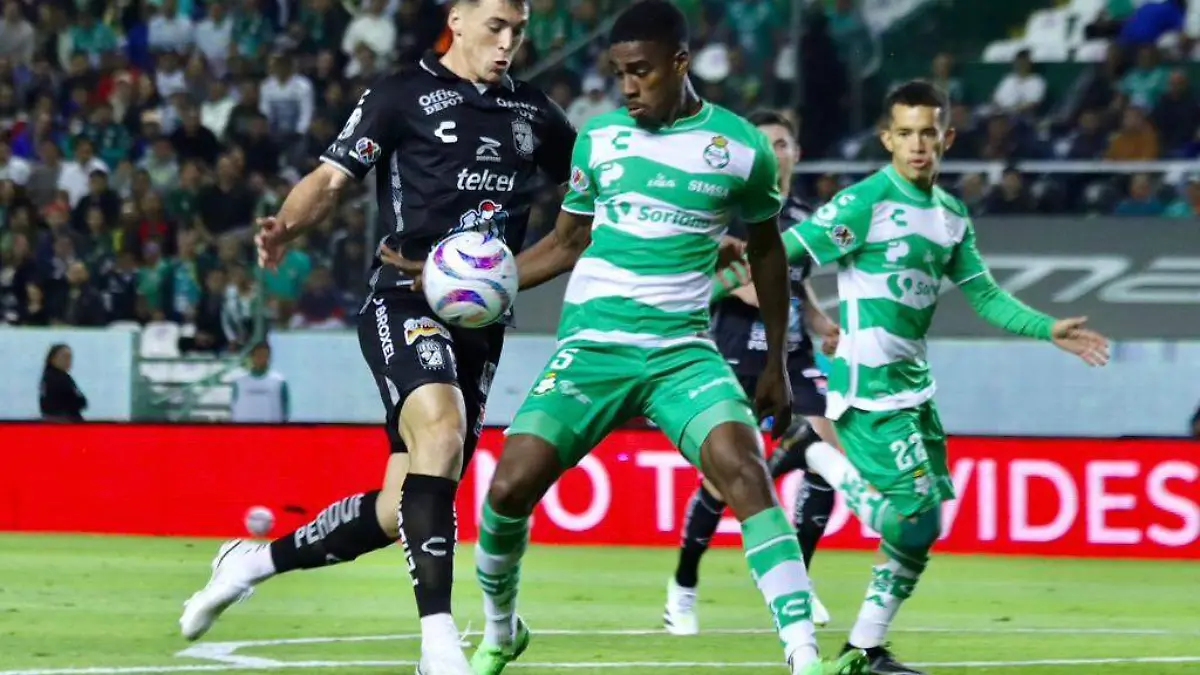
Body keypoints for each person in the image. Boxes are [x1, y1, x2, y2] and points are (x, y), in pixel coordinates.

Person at [178, 2, 577, 674]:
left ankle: (252, 562)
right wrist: (286, 225)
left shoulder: (536, 115)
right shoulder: (402, 94)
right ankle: (439, 644)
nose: (508, 43)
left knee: (399, 508)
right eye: (496, 27)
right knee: (442, 433)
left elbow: (576, 229)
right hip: (402, 299)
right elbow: (331, 178)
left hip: (479, 326)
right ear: (459, 19)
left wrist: (507, 277)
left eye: (518, 30)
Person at [469, 3, 867, 675]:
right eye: (619, 72)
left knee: (747, 474)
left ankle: (805, 658)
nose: (628, 87)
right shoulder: (599, 140)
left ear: (680, 63)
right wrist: (481, 281)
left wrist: (776, 360)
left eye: (642, 71)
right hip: (593, 348)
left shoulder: (739, 147)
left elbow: (768, 254)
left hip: (682, 353)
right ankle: (503, 631)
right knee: (507, 489)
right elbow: (565, 243)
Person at [722, 79, 1111, 675]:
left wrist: (1047, 328)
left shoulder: (951, 216)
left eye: (928, 132)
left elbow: (985, 295)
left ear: (947, 138)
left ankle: (866, 649)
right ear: (887, 139)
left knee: (927, 525)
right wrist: (712, 284)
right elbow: (786, 249)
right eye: (905, 133)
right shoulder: (865, 202)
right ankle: (813, 453)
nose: (918, 144)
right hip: (868, 388)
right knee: (916, 519)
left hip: (914, 388)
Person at [664, 109, 840, 636]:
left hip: (793, 354)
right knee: (723, 482)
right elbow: (703, 276)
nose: (773, 152)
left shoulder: (806, 216)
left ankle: (798, 583)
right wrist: (737, 285)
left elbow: (795, 278)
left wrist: (819, 320)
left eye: (782, 143)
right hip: (736, 353)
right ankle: (683, 588)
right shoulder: (729, 210)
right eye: (763, 144)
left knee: (826, 455)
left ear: (796, 154)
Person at [228, 341, 290, 423]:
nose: (261, 358)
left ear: (269, 358)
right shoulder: (239, 382)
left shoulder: (279, 382)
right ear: (252, 357)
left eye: (265, 355)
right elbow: (233, 407)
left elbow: (285, 410)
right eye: (258, 355)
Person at [39, 343, 87, 422]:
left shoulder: (54, 376)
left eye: (70, 357)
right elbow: (78, 402)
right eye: (65, 357)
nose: (68, 361)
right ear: (53, 359)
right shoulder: (56, 378)